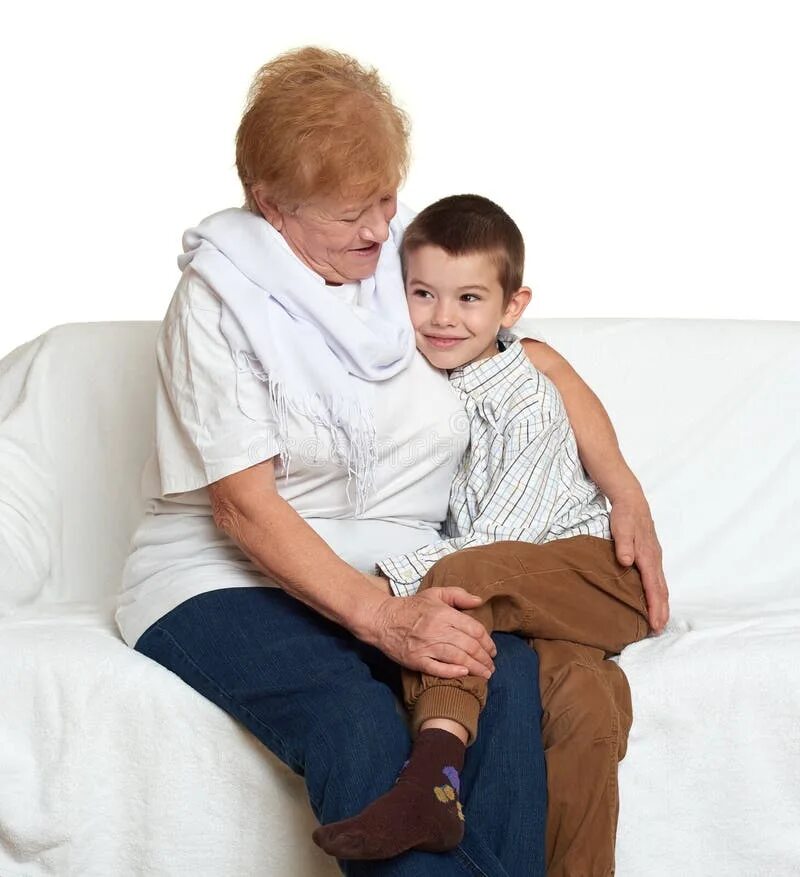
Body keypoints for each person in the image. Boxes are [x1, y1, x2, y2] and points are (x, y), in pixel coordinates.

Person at [115, 47, 668, 877]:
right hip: (225, 578)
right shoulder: (216, 302)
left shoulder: (403, 278)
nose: (377, 227)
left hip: (403, 566)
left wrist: (623, 487)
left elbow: (528, 357)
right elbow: (242, 508)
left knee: (506, 675)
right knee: (355, 717)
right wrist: (382, 618)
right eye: (348, 213)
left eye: (384, 198)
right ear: (271, 206)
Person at [313, 195, 651, 875]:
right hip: (540, 615)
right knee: (584, 707)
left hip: (594, 574)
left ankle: (432, 779)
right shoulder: (433, 384)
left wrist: (380, 587)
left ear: (511, 306)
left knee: (462, 576)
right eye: (422, 294)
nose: (442, 317)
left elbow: (504, 542)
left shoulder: (522, 398)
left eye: (469, 298)